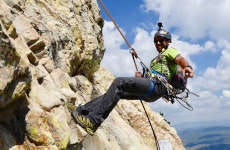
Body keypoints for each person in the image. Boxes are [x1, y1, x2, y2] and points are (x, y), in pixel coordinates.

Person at [71, 23, 194, 135]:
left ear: (168, 41)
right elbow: (150, 76)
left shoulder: (170, 51)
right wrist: (140, 77)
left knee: (119, 82)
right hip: (151, 90)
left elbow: (180, 59)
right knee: (115, 92)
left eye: (161, 40)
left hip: (156, 87)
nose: (157, 43)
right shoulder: (153, 62)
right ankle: (84, 111)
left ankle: (93, 121)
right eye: (155, 41)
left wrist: (187, 67)